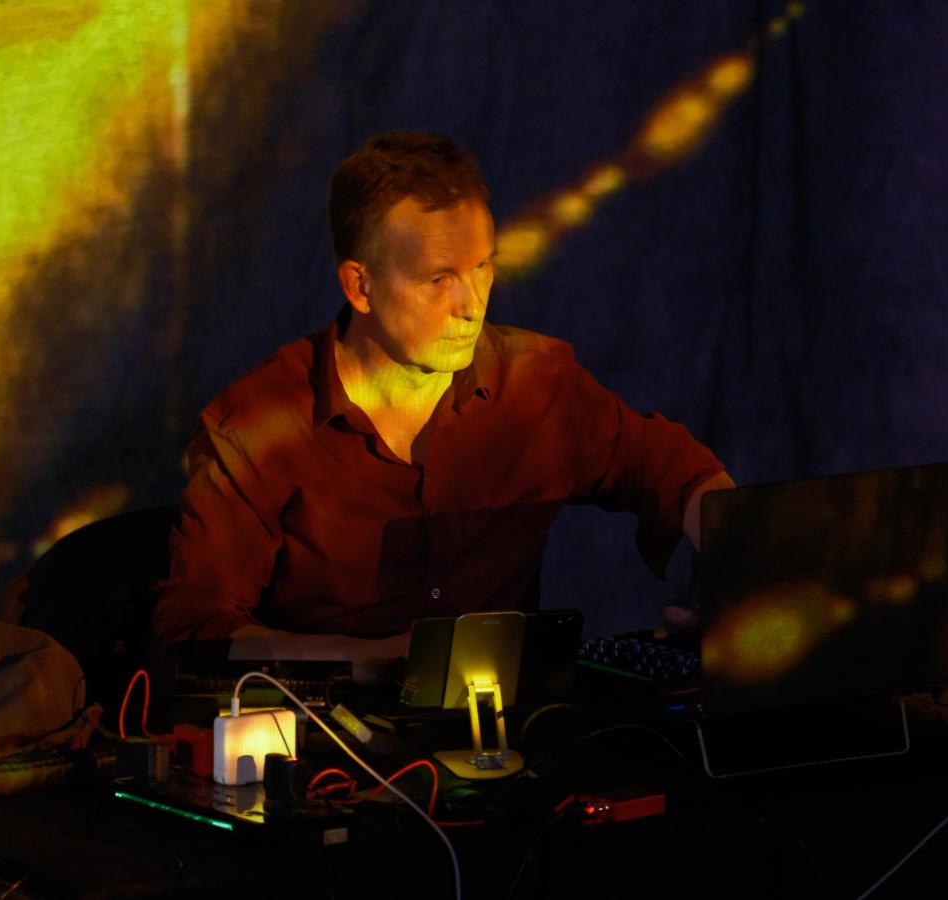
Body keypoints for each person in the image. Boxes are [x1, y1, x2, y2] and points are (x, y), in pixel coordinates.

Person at [152, 132, 733, 663]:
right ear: (360, 285)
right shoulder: (255, 426)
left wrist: (745, 586)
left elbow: (677, 472)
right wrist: (365, 660)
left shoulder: (535, 383)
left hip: (502, 723)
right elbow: (193, 628)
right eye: (439, 279)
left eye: (482, 267)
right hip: (326, 729)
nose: (471, 305)